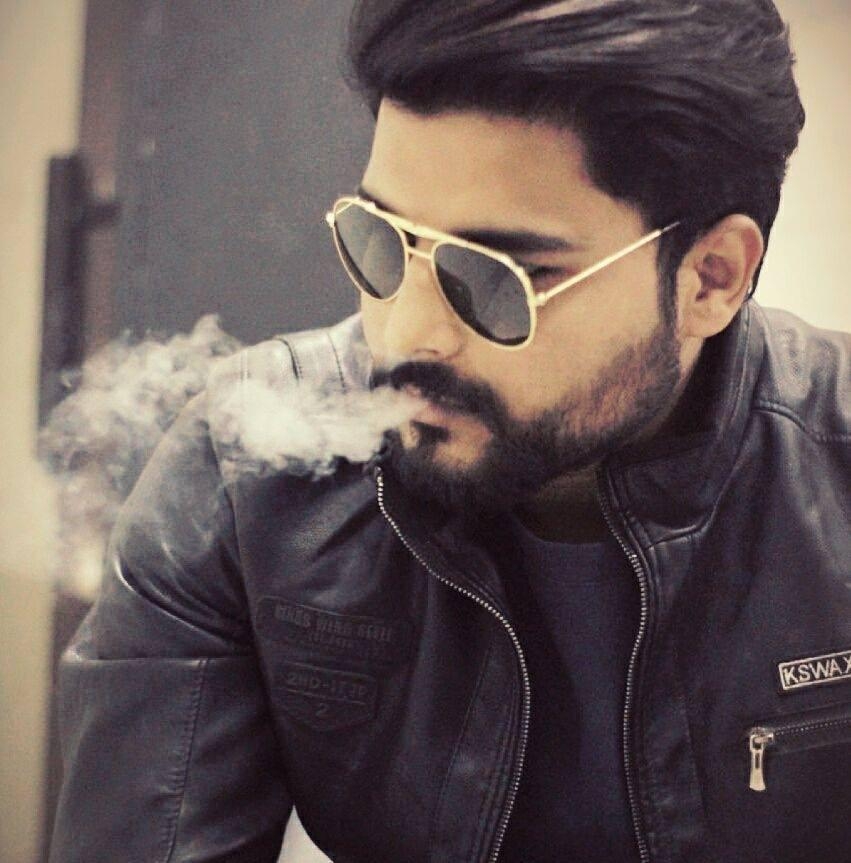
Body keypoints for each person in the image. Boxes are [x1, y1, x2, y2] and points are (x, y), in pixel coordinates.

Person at [51, 1, 851, 862]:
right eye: (381, 242)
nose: (404, 334)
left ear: (710, 277)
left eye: (493, 278)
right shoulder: (240, 483)